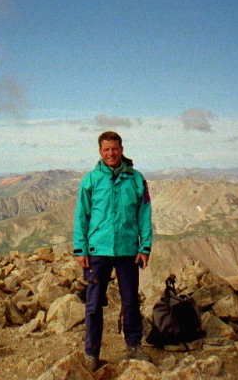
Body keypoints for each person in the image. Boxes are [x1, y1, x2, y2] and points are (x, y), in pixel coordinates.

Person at [72, 131, 153, 371]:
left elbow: (144, 214)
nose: (110, 153)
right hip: (98, 250)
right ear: (100, 152)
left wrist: (145, 246)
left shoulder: (137, 179)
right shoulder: (91, 180)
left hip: (128, 249)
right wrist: (80, 248)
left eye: (114, 149)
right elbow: (81, 216)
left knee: (130, 301)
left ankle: (134, 346)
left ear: (121, 149)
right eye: (106, 150)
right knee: (94, 304)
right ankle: (91, 354)